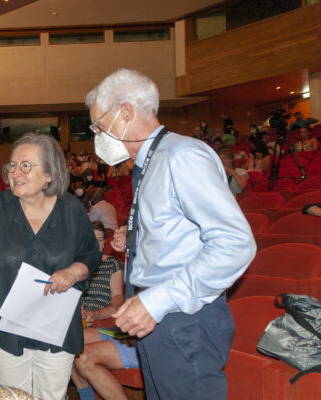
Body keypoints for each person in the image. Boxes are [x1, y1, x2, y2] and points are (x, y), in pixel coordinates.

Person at [86, 69, 256, 400]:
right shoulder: (151, 163)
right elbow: (177, 234)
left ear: (125, 112)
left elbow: (235, 244)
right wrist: (135, 240)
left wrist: (157, 299)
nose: (97, 134)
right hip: (160, 319)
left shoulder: (181, 156)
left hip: (184, 320)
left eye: (98, 124)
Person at [0, 132, 100, 400]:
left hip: (55, 324)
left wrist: (73, 272)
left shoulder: (71, 209)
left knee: (52, 396)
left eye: (26, 165)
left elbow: (90, 254)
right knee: (14, 397)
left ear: (49, 174)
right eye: (12, 166)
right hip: (8, 327)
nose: (15, 173)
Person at [72, 222, 135, 400]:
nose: (96, 244)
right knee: (66, 340)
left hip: (103, 319)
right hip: (78, 318)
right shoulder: (73, 266)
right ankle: (85, 396)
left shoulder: (112, 264)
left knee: (80, 353)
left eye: (100, 240)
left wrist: (95, 314)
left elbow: (117, 301)